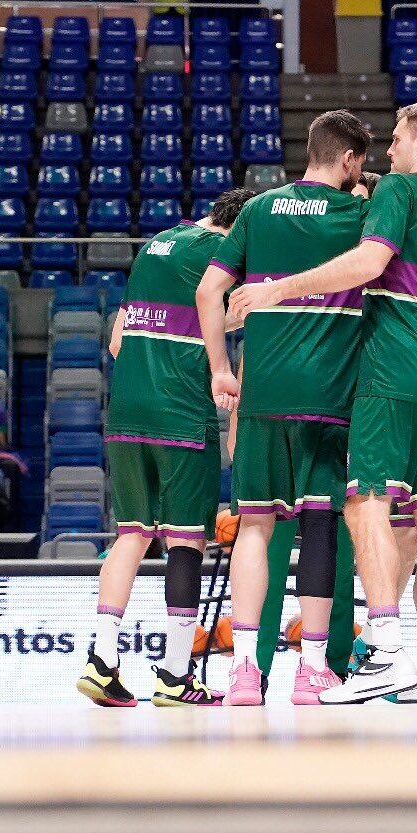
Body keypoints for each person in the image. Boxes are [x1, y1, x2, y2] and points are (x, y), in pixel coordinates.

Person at [227, 104, 417, 704]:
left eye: (394, 139)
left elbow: (369, 261)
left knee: (365, 503)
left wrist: (274, 289)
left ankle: (387, 650)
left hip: (392, 369)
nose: (388, 150)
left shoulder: (400, 191)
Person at [194, 111, 373, 706]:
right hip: (328, 398)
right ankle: (313, 669)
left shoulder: (257, 210)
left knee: (255, 525)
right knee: (321, 524)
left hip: (264, 395)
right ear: (348, 160)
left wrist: (221, 368)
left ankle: (244, 670)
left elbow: (207, 290)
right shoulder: (359, 214)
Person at [76, 189, 254, 709]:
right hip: (181, 413)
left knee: (130, 535)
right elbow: (220, 314)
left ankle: (101, 662)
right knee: (185, 543)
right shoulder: (220, 260)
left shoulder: (157, 244)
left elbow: (116, 342)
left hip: (127, 410)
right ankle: (176, 675)